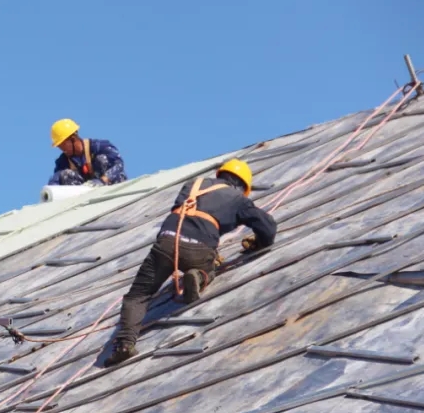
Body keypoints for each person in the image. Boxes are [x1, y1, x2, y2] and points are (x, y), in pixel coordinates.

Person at [103, 159, 277, 367]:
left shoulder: (193, 185)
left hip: (167, 240)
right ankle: (200, 276)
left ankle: (124, 344)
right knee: (211, 263)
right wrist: (258, 243)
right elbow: (268, 228)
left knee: (138, 295)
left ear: (220, 175)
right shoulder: (238, 199)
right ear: (243, 186)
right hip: (200, 247)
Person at [47, 118, 127, 186]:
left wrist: (103, 180)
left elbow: (118, 164)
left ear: (73, 139)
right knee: (65, 174)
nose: (62, 149)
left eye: (64, 145)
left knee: (101, 159)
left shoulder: (99, 146)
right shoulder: (63, 162)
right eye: (60, 147)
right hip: (89, 195)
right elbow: (55, 180)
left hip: (113, 187)